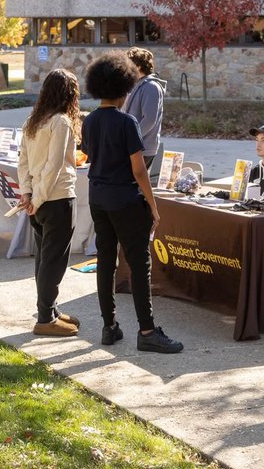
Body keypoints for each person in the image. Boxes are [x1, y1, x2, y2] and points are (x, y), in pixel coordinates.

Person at [83, 51, 183, 354]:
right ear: (125, 87)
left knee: (106, 261)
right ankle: (147, 330)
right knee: (140, 265)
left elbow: (90, 155)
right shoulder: (127, 122)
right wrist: (152, 206)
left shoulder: (88, 121)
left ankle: (109, 326)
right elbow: (139, 170)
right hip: (125, 198)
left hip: (97, 197)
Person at [18, 69, 82, 337]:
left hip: (39, 200)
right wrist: (37, 197)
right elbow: (55, 164)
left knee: (45, 258)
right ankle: (45, 318)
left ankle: (49, 308)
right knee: (53, 260)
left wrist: (28, 194)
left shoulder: (34, 120)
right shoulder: (61, 122)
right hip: (56, 198)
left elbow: (22, 161)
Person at [122, 47, 166, 179]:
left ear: (138, 66)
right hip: (134, 147)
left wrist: (130, 140)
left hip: (143, 148)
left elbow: (149, 120)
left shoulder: (151, 87)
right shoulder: (136, 84)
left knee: (133, 185)